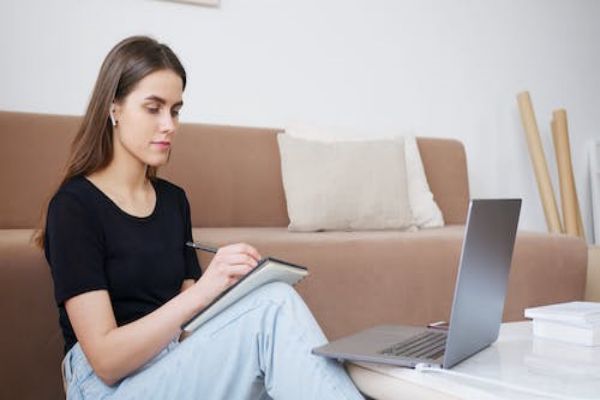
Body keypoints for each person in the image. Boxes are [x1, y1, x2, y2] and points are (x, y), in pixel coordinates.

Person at [35, 36, 364, 399]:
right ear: (114, 109)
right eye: (153, 108)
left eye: (175, 111)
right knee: (274, 305)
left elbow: (189, 332)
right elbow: (106, 361)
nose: (169, 125)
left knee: (270, 304)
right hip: (107, 388)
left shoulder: (173, 201)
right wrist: (207, 289)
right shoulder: (74, 207)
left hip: (170, 364)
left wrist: (234, 294)